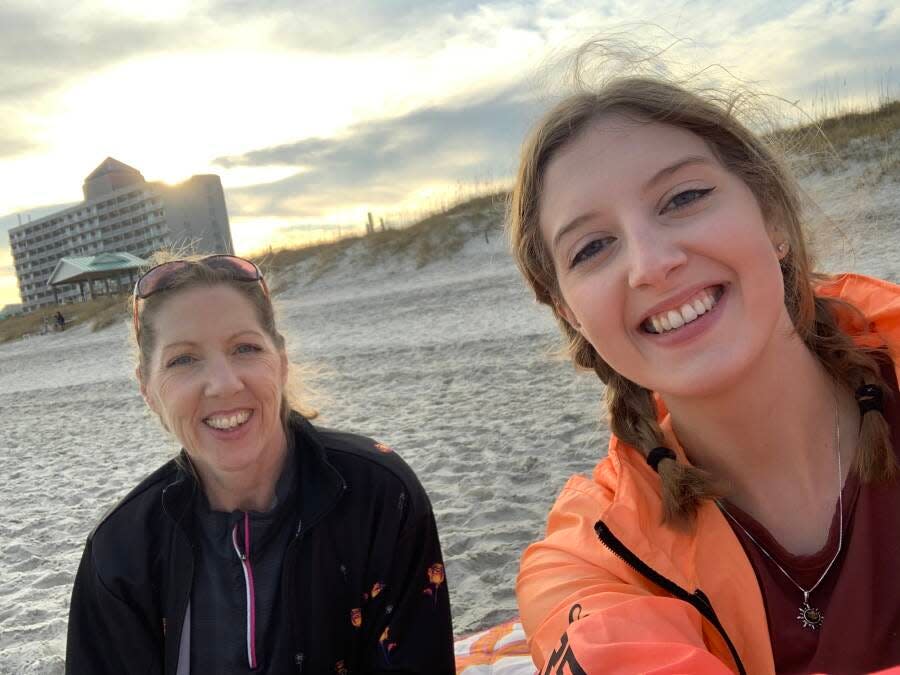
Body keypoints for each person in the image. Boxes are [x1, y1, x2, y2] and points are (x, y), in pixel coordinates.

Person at [509, 75, 899, 674]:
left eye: (683, 198)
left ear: (770, 215)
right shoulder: (590, 558)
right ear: (570, 313)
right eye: (592, 248)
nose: (651, 265)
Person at [66, 254, 455, 674]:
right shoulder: (121, 552)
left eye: (245, 348)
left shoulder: (378, 495)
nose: (224, 383)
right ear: (147, 388)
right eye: (183, 360)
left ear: (281, 361)